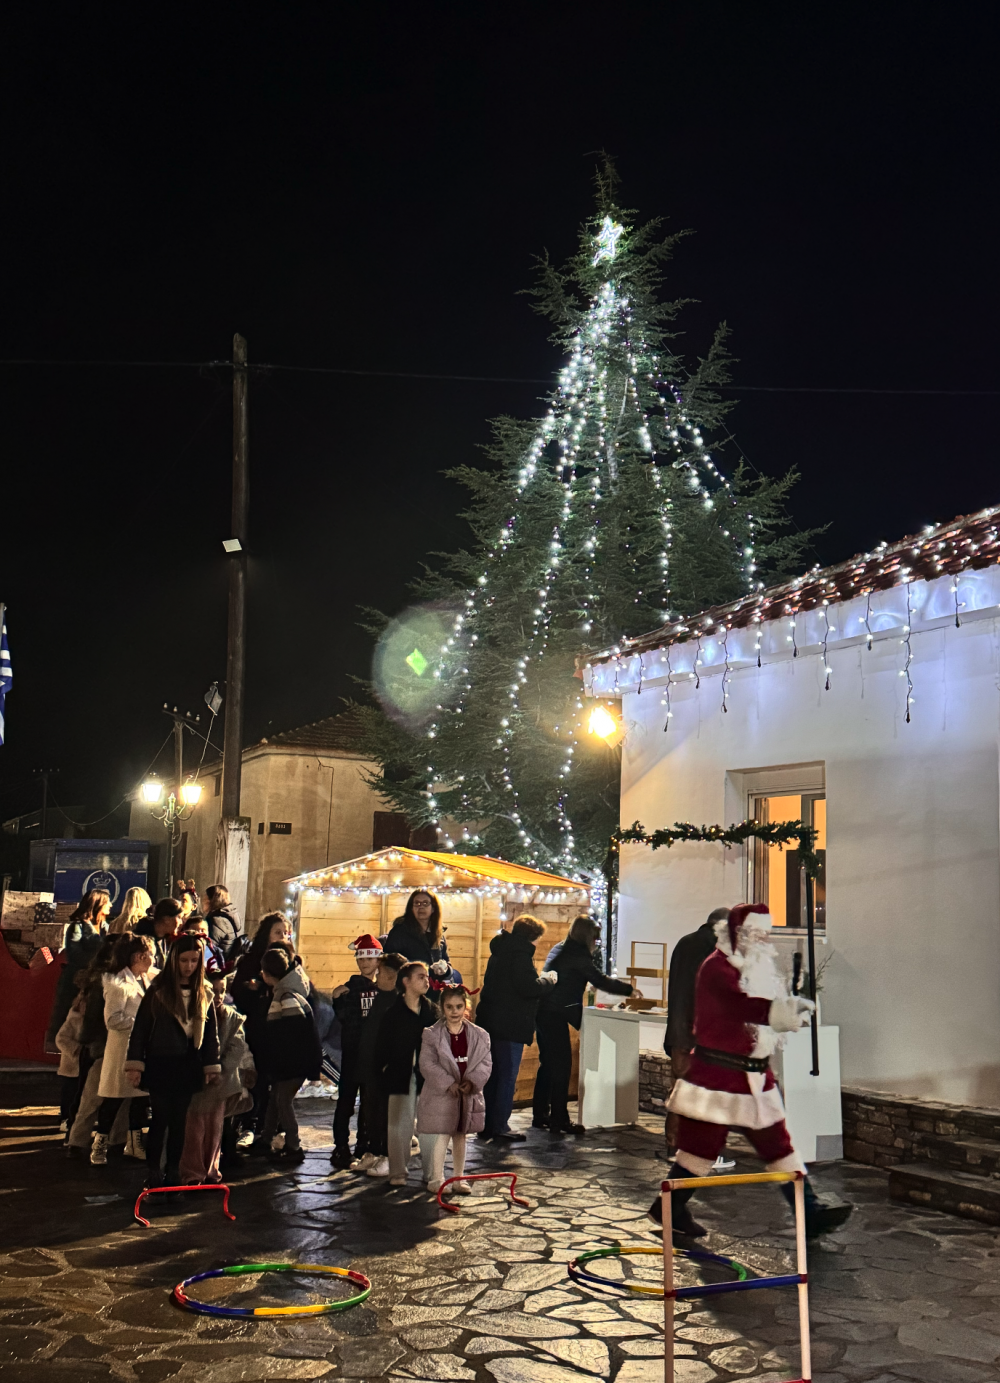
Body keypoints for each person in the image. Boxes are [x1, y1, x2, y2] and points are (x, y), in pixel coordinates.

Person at [652, 903, 852, 1240]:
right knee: (700, 1151)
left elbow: (759, 1008)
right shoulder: (717, 968)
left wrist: (790, 1005)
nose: (761, 939)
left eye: (764, 933)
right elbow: (740, 1005)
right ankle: (667, 1208)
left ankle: (809, 1211)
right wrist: (781, 1012)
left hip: (752, 1077)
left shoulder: (751, 966)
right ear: (735, 933)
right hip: (718, 1077)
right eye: (753, 933)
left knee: (779, 1147)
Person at [124, 936, 221, 1187]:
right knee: (160, 1120)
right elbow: (141, 1031)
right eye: (184, 960)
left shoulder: (203, 992)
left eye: (194, 960)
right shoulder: (159, 991)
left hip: (187, 1064)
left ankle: (174, 1172)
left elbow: (211, 1034)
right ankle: (154, 1171)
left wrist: (211, 1064)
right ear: (174, 961)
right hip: (160, 1062)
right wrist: (135, 1064)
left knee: (180, 1123)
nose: (188, 966)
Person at [533, 915, 636, 1135]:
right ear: (587, 936)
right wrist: (629, 990)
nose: (596, 943)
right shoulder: (577, 954)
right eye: (595, 939)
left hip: (542, 1011)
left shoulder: (559, 948)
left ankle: (541, 1114)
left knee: (548, 1065)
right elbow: (599, 979)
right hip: (555, 1013)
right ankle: (558, 1121)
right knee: (561, 1067)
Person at [476, 916, 557, 1143]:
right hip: (509, 1026)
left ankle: (486, 1125)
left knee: (492, 1076)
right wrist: (548, 982)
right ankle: (500, 1125)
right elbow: (527, 988)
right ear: (532, 937)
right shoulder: (520, 956)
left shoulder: (500, 951)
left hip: (490, 1022)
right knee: (506, 1077)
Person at [661, 907, 732, 1158]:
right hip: (704, 1035)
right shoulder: (717, 950)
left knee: (680, 1091)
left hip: (679, 1032)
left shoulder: (684, 943)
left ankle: (673, 1145)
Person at [417, 985, 492, 1194]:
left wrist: (472, 1081)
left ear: (465, 1007)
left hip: (465, 1095)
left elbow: (485, 1062)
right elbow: (428, 1064)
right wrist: (448, 1083)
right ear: (442, 1007)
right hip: (443, 1094)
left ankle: (459, 1177)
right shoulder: (431, 1035)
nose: (454, 1011)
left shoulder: (479, 1036)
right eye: (449, 1007)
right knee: (442, 1134)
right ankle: (437, 1178)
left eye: (459, 1006)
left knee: (460, 1135)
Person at [90, 933, 156, 1165]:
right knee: (114, 1100)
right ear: (139, 956)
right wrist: (140, 1023)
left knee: (139, 1099)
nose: (154, 959)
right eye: (151, 955)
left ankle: (135, 1143)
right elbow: (112, 1019)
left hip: (139, 1049)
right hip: (121, 1050)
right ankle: (100, 1144)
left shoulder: (146, 979)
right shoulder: (119, 984)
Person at [180, 976, 253, 1183]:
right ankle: (192, 1172)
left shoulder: (231, 1017)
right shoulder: (193, 1014)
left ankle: (211, 1169)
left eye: (223, 991)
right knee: (194, 1130)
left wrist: (221, 1071)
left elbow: (236, 1047)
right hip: (196, 1081)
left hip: (220, 1083)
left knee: (214, 1130)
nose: (219, 996)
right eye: (215, 991)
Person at [231, 913, 295, 1144]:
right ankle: (249, 1124)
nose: (283, 936)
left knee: (277, 1082)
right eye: (278, 932)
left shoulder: (290, 960)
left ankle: (272, 1127)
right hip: (256, 1026)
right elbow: (239, 990)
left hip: (279, 1030)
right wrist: (255, 988)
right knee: (256, 1078)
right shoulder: (251, 960)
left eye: (285, 932)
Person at [255, 946, 323, 1164]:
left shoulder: (286, 997)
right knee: (276, 1098)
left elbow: (290, 1037)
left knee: (283, 1100)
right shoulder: (288, 991)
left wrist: (279, 1065)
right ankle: (266, 1138)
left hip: (292, 1064)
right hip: (291, 1063)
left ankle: (294, 1145)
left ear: (268, 974)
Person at [374, 960, 437, 1185]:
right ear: (406, 982)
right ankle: (398, 1172)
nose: (425, 980)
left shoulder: (431, 1011)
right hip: (399, 1074)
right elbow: (382, 1045)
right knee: (399, 1124)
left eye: (427, 976)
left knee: (431, 1126)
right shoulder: (393, 1013)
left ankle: (433, 1174)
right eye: (420, 976)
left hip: (427, 1076)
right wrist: (383, 1071)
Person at [64, 937, 127, 1157]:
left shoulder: (103, 978)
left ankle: (79, 1140)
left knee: (93, 1095)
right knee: (103, 1095)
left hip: (102, 1044)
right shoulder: (110, 981)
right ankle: (105, 1140)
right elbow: (94, 1017)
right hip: (106, 1044)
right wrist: (89, 1041)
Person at [330, 934, 382, 1168]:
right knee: (347, 1101)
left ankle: (364, 1144)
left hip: (371, 1056)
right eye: (361, 958)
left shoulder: (384, 991)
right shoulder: (348, 991)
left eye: (369, 958)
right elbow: (343, 1017)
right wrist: (339, 999)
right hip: (353, 1053)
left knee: (368, 1103)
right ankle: (341, 1146)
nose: (365, 963)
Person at [355, 951, 407, 1177]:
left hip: (388, 1069)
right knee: (370, 1110)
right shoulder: (378, 998)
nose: (379, 979)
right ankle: (373, 1151)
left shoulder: (400, 1003)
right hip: (370, 1065)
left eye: (385, 974)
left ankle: (390, 1157)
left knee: (388, 1115)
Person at [47, 888, 112, 1044]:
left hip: (96, 981)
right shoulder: (77, 927)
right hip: (76, 980)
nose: (110, 905)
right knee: (69, 1018)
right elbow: (74, 954)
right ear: (98, 904)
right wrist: (97, 960)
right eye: (107, 902)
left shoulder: (106, 927)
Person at [384, 890, 459, 983]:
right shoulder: (400, 931)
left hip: (433, 990)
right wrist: (410, 968)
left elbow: (446, 961)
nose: (421, 907)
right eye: (417, 903)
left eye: (425, 903)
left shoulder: (439, 934)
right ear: (411, 908)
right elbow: (388, 959)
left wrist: (445, 970)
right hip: (408, 989)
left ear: (433, 908)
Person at [54, 983, 85, 1132]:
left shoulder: (90, 1022)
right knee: (69, 1093)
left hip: (83, 1065)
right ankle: (65, 1118)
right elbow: (61, 1039)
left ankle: (73, 1118)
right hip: (71, 1066)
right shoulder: (73, 1020)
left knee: (79, 1094)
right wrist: (75, 1049)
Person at [135, 897, 183, 970]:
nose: (181, 922)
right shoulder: (140, 941)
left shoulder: (164, 939)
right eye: (179, 917)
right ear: (166, 919)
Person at [203, 884, 245, 958]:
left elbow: (208, 948)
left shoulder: (216, 921)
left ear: (211, 901)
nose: (203, 902)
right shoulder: (225, 918)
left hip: (217, 964)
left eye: (205, 899)